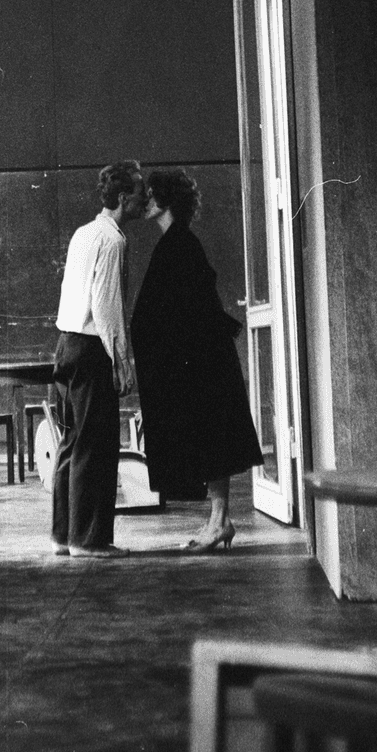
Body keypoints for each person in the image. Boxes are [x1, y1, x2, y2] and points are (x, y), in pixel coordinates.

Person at [130, 167, 263, 551]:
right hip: (199, 359)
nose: (147, 201)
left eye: (153, 194)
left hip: (200, 362)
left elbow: (190, 308)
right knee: (210, 439)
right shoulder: (176, 241)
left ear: (167, 200)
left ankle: (220, 521)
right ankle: (219, 521)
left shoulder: (180, 243)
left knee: (210, 438)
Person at [50, 159, 147, 558]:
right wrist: (123, 364)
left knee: (73, 443)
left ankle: (62, 536)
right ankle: (88, 540)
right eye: (140, 194)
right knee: (95, 446)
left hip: (67, 345)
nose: (145, 201)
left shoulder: (83, 233)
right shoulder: (113, 240)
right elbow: (107, 308)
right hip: (92, 350)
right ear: (123, 198)